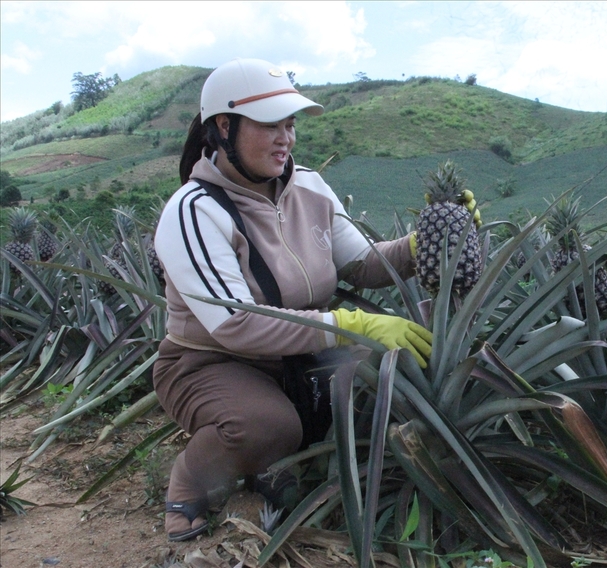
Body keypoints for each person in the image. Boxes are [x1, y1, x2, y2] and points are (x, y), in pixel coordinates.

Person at [153, 58, 433, 542]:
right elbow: (236, 324)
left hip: (298, 354)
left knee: (386, 380)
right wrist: (355, 326)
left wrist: (421, 242)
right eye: (269, 125)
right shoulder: (192, 211)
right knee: (265, 426)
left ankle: (279, 464)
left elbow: (362, 264)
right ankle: (190, 481)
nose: (286, 137)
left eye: (290, 124)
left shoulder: (310, 187)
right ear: (224, 127)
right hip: (211, 362)